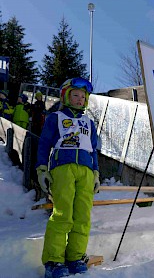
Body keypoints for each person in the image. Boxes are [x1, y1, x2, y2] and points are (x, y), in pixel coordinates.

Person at [36, 77, 100, 278]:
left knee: (82, 217)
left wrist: (96, 173)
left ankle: (75, 257)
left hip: (86, 171)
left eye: (83, 96)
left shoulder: (89, 122)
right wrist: (41, 169)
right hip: (62, 168)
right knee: (63, 214)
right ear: (65, 96)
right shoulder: (54, 117)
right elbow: (44, 144)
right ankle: (54, 260)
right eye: (75, 95)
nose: (80, 99)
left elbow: (94, 151)